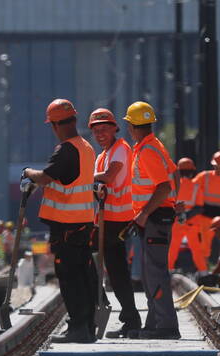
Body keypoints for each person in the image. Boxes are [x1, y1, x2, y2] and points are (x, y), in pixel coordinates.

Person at [23, 99, 99, 344]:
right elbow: (66, 179)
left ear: (54, 125)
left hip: (67, 226)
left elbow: (45, 177)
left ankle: (78, 328)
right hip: (84, 223)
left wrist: (27, 172)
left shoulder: (66, 150)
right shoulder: (86, 147)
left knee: (70, 277)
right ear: (74, 120)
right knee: (83, 275)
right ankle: (86, 326)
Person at [125, 101, 180, 340]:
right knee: (149, 273)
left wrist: (144, 213)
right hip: (155, 218)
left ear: (131, 126)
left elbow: (164, 186)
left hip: (154, 219)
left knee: (155, 273)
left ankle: (166, 326)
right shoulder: (150, 147)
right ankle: (154, 322)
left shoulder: (148, 151)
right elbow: (174, 174)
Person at [89, 107, 141, 339]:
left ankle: (130, 320)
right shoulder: (102, 155)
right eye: (96, 130)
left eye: (104, 129)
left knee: (117, 272)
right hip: (105, 220)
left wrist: (83, 177)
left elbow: (109, 177)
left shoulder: (121, 150)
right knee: (103, 267)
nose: (100, 134)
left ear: (114, 129)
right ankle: (125, 317)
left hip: (118, 220)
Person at [168, 157, 208, 274]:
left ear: (178, 171)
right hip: (192, 223)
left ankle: (168, 272)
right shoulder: (196, 187)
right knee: (196, 250)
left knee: (172, 249)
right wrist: (187, 215)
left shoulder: (173, 186)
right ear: (192, 171)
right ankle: (204, 274)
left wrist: (180, 215)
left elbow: (169, 204)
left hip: (176, 222)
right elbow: (200, 207)